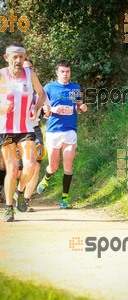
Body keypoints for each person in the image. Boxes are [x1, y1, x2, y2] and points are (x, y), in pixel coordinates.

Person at [0, 41, 46, 222]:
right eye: (15, 57)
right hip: (7, 131)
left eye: (21, 57)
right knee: (11, 169)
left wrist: (36, 106)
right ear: (6, 58)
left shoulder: (29, 74)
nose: (18, 60)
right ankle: (9, 207)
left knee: (31, 165)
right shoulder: (2, 76)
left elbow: (41, 94)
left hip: (26, 128)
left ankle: (20, 193)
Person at [37, 60, 87, 208]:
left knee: (68, 162)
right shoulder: (49, 88)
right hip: (53, 130)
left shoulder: (75, 88)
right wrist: (49, 111)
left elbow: (78, 106)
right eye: (63, 72)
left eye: (68, 72)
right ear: (57, 73)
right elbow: (43, 108)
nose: (65, 74)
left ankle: (65, 199)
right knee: (53, 166)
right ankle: (46, 178)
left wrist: (82, 107)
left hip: (70, 130)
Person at [14, 58, 51, 212]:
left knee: (35, 166)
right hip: (14, 131)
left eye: (30, 68)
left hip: (34, 130)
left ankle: (25, 200)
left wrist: (47, 112)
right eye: (24, 68)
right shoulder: (12, 89)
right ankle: (13, 194)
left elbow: (47, 110)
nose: (28, 72)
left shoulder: (39, 92)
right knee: (17, 168)